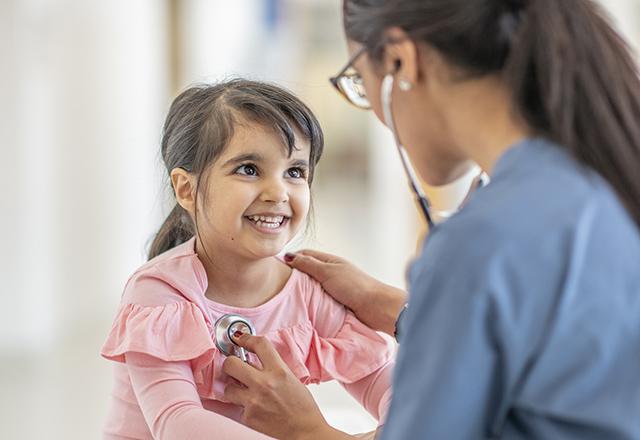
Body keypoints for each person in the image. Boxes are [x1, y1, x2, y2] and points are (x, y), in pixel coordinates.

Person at [221, 1, 640, 439]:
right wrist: (401, 310)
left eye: (360, 84)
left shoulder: (483, 240)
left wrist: (307, 430)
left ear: (401, 59)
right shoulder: (601, 186)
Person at [100, 79, 395, 439]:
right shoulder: (159, 292)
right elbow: (178, 424)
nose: (278, 192)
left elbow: (394, 388)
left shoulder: (309, 292)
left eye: (295, 171)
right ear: (186, 189)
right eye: (249, 169)